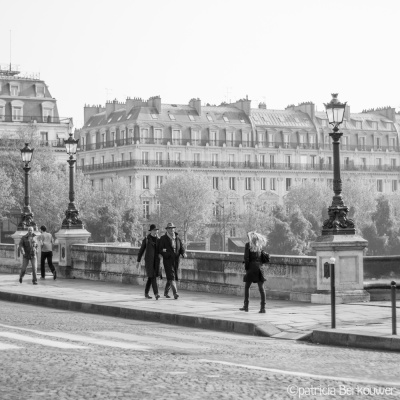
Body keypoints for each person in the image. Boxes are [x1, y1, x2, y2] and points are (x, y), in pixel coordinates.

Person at [240, 231, 268, 313]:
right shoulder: (259, 245)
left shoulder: (248, 245)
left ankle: (246, 306)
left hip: (251, 268)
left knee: (247, 287)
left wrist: (247, 269)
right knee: (261, 289)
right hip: (259, 268)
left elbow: (246, 258)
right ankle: (263, 308)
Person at [159, 222, 187, 299]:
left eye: (173, 228)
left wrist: (183, 253)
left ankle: (166, 292)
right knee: (172, 276)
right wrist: (166, 254)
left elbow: (181, 248)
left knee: (170, 277)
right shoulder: (163, 239)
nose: (172, 229)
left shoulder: (178, 238)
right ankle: (175, 293)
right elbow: (160, 249)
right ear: (167, 229)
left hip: (176, 260)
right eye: (170, 228)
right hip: (167, 261)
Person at [137, 224, 161, 300]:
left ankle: (146, 293)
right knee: (153, 276)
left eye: (156, 230)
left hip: (156, 261)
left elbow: (162, 249)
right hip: (149, 261)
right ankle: (156, 293)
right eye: (154, 230)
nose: (156, 231)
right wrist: (138, 261)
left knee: (151, 277)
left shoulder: (159, 239)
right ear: (151, 231)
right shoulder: (147, 239)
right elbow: (141, 250)